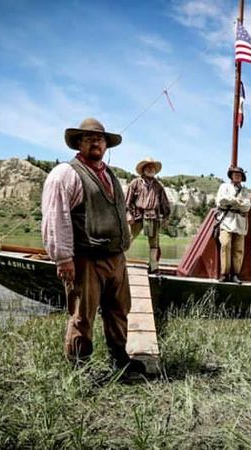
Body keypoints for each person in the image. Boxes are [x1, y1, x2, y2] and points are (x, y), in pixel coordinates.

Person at [41, 117, 145, 374]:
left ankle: (120, 360)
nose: (96, 143)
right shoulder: (65, 174)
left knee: (119, 311)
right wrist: (63, 258)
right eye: (89, 139)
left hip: (115, 257)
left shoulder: (110, 175)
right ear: (79, 143)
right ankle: (79, 369)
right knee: (82, 316)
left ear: (106, 145)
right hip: (85, 258)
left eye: (100, 139)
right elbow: (56, 217)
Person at [126, 156, 171, 274]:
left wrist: (166, 217)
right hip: (138, 215)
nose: (151, 169)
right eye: (148, 167)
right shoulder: (135, 183)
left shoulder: (158, 186)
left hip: (153, 216)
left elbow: (164, 203)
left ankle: (153, 267)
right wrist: (128, 214)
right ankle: (118, 261)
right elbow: (127, 201)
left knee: (154, 243)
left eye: (152, 167)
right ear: (143, 169)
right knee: (128, 238)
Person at [215, 166, 251, 284]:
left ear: (242, 177)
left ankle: (235, 274)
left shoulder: (245, 191)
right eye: (235, 174)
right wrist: (236, 201)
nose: (237, 176)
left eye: (239, 175)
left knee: (238, 249)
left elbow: (247, 206)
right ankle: (224, 273)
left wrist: (234, 202)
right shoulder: (224, 187)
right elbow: (221, 201)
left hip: (239, 222)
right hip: (226, 220)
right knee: (225, 244)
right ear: (231, 175)